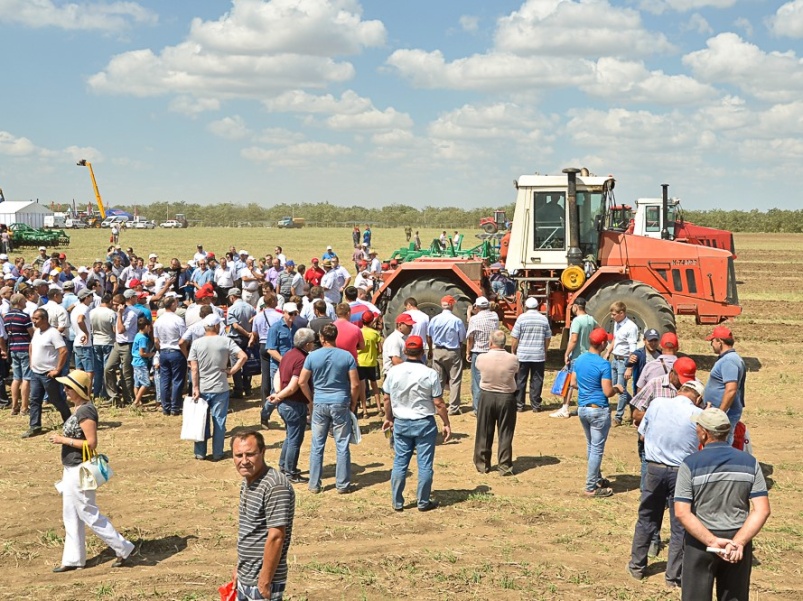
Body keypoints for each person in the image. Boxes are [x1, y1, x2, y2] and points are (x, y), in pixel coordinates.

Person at [674, 408, 770, 600]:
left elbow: (682, 513)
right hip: (736, 543)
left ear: (704, 432)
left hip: (700, 542)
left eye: (698, 426)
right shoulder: (750, 463)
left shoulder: (690, 464)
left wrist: (711, 541)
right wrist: (739, 542)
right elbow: (762, 510)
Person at [47, 369, 134, 572]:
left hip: (79, 470)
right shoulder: (79, 408)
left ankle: (123, 548)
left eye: (69, 387)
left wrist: (62, 440)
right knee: (70, 514)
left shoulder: (86, 411)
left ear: (79, 389)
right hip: (70, 469)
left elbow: (91, 443)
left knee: (88, 512)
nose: (65, 390)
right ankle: (73, 559)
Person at [627, 379, 705, 587]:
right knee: (680, 524)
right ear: (697, 398)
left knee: (647, 518)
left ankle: (637, 566)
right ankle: (673, 576)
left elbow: (642, 435)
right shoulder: (698, 415)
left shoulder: (657, 404)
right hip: (682, 472)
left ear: (680, 391)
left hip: (654, 469)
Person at [382, 335, 451, 512]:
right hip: (424, 423)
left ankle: (397, 501)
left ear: (405, 351)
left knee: (399, 462)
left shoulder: (394, 371)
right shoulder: (430, 373)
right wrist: (446, 423)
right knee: (425, 464)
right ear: (423, 352)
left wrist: (388, 418)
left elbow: (387, 398)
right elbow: (439, 403)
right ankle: (423, 501)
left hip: (402, 422)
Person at [232, 430, 295, 601]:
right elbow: (250, 530)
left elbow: (276, 536)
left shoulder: (275, 486)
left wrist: (265, 581)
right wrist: (240, 569)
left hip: (262, 582)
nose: (244, 461)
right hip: (247, 577)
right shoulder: (248, 482)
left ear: (263, 452)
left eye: (250, 454)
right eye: (239, 455)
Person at [298, 323, 360, 494]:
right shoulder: (347, 356)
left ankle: (314, 484)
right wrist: (353, 404)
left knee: (317, 444)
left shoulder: (312, 356)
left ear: (321, 338)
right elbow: (355, 384)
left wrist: (310, 400)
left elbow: (302, 381)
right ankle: (342, 484)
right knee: (342, 444)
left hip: (320, 401)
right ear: (335, 337)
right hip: (340, 401)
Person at [572, 327, 624, 498]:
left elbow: (573, 383)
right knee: (596, 449)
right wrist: (617, 388)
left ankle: (596, 478)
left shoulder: (579, 360)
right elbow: (607, 391)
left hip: (582, 409)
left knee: (591, 445)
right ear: (602, 344)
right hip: (598, 410)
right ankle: (590, 487)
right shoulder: (603, 364)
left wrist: (588, 388)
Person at [189, 314, 247, 461]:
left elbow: (194, 368)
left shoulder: (196, 343)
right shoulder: (226, 341)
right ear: (216, 326)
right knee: (219, 421)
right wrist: (232, 371)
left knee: (201, 421)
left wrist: (195, 387)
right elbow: (243, 356)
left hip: (202, 387)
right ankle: (217, 452)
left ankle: (200, 452)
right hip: (220, 386)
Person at [268, 329, 316, 483]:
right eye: (313, 342)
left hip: (284, 404)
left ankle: (284, 466)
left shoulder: (288, 354)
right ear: (307, 344)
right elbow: (295, 385)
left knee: (290, 437)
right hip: (294, 404)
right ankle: (290, 472)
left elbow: (278, 375)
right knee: (295, 439)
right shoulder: (302, 359)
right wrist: (311, 400)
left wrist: (278, 393)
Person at [474, 331, 518, 476]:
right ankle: (504, 466)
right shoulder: (513, 359)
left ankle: (482, 464)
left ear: (490, 342)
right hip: (506, 397)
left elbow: (478, 369)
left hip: (486, 395)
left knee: (484, 431)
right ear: (504, 343)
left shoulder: (481, 358)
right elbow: (515, 372)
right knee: (505, 431)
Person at [22, 308, 70, 438]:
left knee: (56, 400)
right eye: (33, 318)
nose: (34, 321)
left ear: (44, 319)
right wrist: (32, 362)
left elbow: (63, 351)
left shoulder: (53, 333)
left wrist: (57, 369)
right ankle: (35, 426)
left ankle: (69, 421)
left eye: (36, 318)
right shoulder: (38, 332)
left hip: (48, 374)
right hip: (36, 373)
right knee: (35, 400)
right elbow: (31, 346)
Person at [552, 296, 598, 418]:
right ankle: (586, 405)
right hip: (588, 356)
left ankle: (565, 408)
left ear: (576, 307)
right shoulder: (591, 319)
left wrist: (566, 353)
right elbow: (600, 332)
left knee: (569, 382)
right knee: (584, 382)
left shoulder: (577, 321)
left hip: (577, 356)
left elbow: (573, 339)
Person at [703, 326, 746, 444]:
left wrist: (720, 413)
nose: (711, 344)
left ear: (720, 342)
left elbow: (731, 389)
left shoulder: (729, 361)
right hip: (722, 412)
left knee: (721, 444)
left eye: (713, 341)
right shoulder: (730, 359)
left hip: (725, 414)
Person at [510, 296, 551, 413]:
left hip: (523, 355)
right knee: (537, 380)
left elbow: (515, 337)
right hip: (538, 355)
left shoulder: (521, 318)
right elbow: (547, 338)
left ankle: (519, 405)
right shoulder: (543, 319)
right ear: (537, 307)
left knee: (520, 380)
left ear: (525, 307)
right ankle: (536, 405)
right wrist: (545, 350)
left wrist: (514, 350)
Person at [427, 295, 466, 416]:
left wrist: (430, 349)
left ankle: (437, 405)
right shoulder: (456, 321)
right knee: (455, 380)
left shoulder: (434, 319)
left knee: (438, 380)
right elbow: (462, 337)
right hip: (452, 351)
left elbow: (429, 335)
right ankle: (453, 407)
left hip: (438, 350)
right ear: (452, 305)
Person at [606, 301, 639, 426]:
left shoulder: (631, 327)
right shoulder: (617, 323)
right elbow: (615, 339)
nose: (612, 317)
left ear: (622, 313)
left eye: (614, 314)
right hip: (615, 358)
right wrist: (608, 352)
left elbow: (633, 350)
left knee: (621, 389)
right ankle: (633, 404)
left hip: (624, 360)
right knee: (616, 386)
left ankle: (618, 417)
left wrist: (629, 368)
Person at [153, 295, 187, 416]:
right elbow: (183, 339)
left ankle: (165, 406)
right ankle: (175, 406)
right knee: (177, 380)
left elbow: (156, 340)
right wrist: (186, 355)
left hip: (163, 351)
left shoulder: (158, 320)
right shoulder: (178, 320)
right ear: (172, 305)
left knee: (164, 380)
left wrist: (160, 349)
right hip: (176, 351)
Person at [466, 296, 499, 415]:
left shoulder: (474, 319)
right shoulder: (494, 316)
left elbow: (471, 337)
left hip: (478, 353)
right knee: (491, 381)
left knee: (477, 382)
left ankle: (478, 409)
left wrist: (467, 352)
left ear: (477, 306)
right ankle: (491, 407)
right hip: (491, 352)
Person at [104, 290, 138, 407]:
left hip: (128, 345)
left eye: (115, 303)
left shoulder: (131, 315)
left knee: (126, 373)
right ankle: (114, 395)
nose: (112, 305)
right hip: (117, 344)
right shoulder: (115, 313)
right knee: (108, 368)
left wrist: (119, 314)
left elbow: (121, 330)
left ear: (122, 304)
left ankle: (128, 398)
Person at [4, 293, 33, 415]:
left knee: (16, 378)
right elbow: (31, 333)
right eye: (24, 300)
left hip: (13, 348)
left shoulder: (7, 317)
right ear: (20, 301)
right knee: (26, 378)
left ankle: (14, 406)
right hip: (25, 348)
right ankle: (24, 407)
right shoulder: (24, 316)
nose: (26, 302)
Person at [227, 288, 255, 398]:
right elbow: (254, 320)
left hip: (236, 339)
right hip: (248, 339)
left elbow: (235, 326)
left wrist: (246, 333)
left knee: (236, 364)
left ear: (232, 297)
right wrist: (250, 334)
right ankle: (247, 388)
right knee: (248, 363)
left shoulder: (232, 309)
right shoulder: (250, 307)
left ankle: (238, 389)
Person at [89, 294, 116, 400]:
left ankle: (96, 391)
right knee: (107, 368)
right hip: (108, 341)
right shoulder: (111, 313)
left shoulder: (92, 312)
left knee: (98, 369)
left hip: (96, 341)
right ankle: (105, 392)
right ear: (109, 301)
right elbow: (114, 329)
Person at [356, 311, 382, 417]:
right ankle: (380, 408)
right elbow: (380, 349)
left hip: (360, 362)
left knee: (362, 387)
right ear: (372, 321)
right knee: (374, 385)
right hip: (372, 362)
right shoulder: (375, 334)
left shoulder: (358, 332)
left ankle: (365, 410)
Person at [626, 328, 662, 395]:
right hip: (641, 391)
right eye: (650, 340)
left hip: (657, 391)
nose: (653, 343)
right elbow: (629, 361)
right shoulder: (639, 354)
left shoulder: (661, 355)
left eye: (655, 340)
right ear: (644, 340)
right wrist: (629, 365)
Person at [131, 317, 154, 408]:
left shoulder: (137, 335)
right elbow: (142, 353)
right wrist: (150, 354)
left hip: (135, 362)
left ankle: (138, 401)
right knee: (146, 383)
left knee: (136, 383)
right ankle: (136, 401)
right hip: (141, 363)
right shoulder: (143, 338)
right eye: (149, 327)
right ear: (146, 326)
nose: (150, 329)